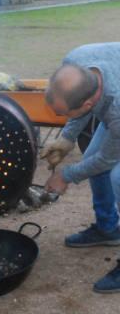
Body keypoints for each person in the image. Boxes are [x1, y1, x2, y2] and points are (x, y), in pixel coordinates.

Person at [42, 42, 120, 293]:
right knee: (90, 155)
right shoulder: (75, 60)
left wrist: (66, 175)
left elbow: (107, 160)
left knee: (118, 177)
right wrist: (67, 138)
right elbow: (83, 105)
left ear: (87, 105)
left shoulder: (117, 108)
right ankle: (109, 228)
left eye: (65, 113)